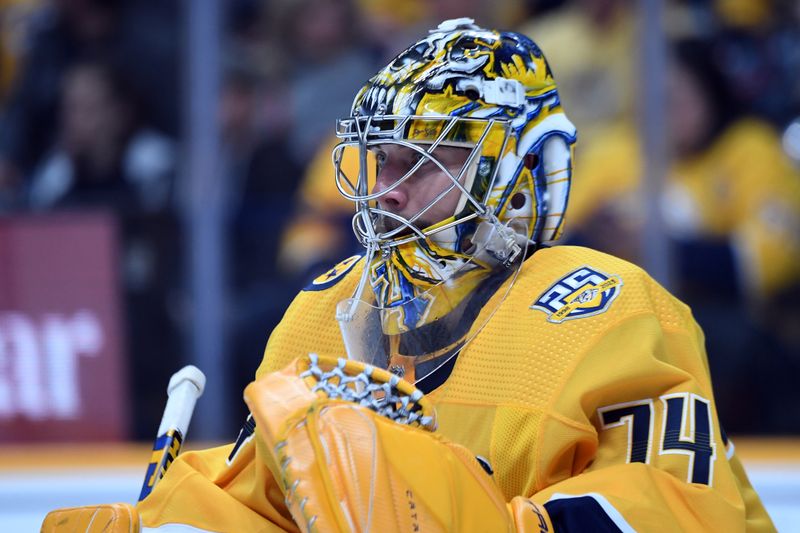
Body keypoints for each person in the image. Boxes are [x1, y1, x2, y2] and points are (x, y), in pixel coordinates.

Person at [44, 18, 774, 532]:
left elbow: (672, 514)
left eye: (424, 161)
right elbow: (262, 501)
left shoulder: (605, 306)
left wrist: (438, 503)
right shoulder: (321, 311)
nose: (386, 187)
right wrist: (177, 523)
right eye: (382, 157)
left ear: (516, 171)